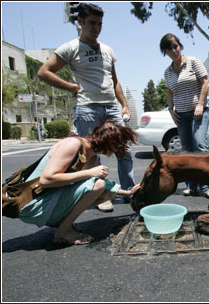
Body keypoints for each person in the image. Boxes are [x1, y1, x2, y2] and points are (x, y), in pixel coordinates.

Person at [37, 3, 134, 212]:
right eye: (91, 23)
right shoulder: (70, 47)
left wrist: (124, 105)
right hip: (87, 108)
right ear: (79, 22)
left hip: (110, 107)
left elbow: (114, 80)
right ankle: (99, 194)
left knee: (123, 150)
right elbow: (44, 72)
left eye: (100, 24)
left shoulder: (107, 50)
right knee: (91, 154)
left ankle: (129, 190)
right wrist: (71, 87)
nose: (96, 28)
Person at [17, 120, 141, 246]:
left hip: (48, 200)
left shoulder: (92, 155)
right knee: (98, 185)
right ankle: (63, 232)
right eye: (117, 146)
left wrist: (128, 192)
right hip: (33, 204)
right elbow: (46, 180)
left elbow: (100, 182)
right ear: (109, 142)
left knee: (107, 193)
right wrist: (90, 173)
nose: (116, 151)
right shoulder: (73, 144)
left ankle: (65, 224)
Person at [160, 33, 209, 199]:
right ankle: (192, 185)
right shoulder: (168, 72)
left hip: (198, 113)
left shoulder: (193, 62)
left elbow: (205, 82)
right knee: (186, 151)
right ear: (165, 52)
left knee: (200, 146)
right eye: (169, 48)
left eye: (175, 46)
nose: (174, 50)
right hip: (181, 115)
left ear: (180, 46)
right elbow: (170, 92)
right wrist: (170, 110)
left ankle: (205, 186)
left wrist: (200, 104)